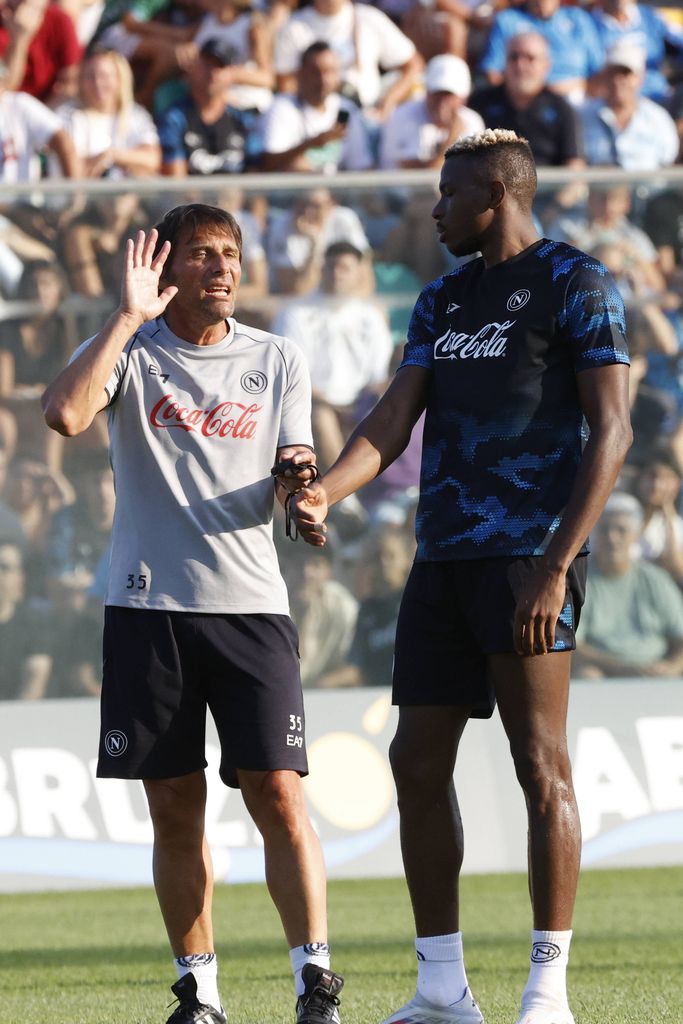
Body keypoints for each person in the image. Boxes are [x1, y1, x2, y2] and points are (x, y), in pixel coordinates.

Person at [290, 128, 632, 1024]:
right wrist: (325, 490)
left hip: (530, 562)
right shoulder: (440, 300)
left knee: (538, 764)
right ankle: (442, 989)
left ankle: (546, 990)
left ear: (494, 192)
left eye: (447, 195)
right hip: (440, 559)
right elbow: (391, 419)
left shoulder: (575, 282)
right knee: (414, 760)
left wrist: (557, 565)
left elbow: (614, 433)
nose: (433, 211)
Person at [41, 203, 344, 1024]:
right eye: (204, 255)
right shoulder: (131, 349)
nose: (223, 269)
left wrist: (301, 493)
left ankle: (314, 983)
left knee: (279, 795)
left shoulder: (276, 355)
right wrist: (126, 314)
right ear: (167, 268)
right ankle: (199, 992)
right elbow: (65, 414)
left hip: (252, 611)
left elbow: (293, 458)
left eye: (232, 255)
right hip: (147, 611)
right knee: (174, 807)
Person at [573, 492, 683, 679]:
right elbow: (573, 646)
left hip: (656, 671)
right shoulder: (580, 580)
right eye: (605, 529)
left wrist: (672, 666)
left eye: (621, 530)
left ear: (635, 536)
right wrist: (624, 669)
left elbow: (679, 635)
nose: (612, 537)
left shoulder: (655, 579)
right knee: (587, 675)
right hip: (602, 672)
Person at [469, 32, 583, 168]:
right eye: (514, 57)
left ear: (546, 65)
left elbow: (575, 164)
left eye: (530, 58)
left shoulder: (562, 109)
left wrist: (568, 189)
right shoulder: (480, 103)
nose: (520, 65)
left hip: (549, 187)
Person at [260, 41, 372, 174]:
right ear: (300, 74)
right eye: (315, 72)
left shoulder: (347, 109)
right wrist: (311, 144)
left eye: (329, 71)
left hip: (339, 192)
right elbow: (268, 162)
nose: (323, 79)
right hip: (292, 192)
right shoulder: (282, 107)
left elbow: (361, 166)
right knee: (299, 167)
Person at [156, 38, 262, 177]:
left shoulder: (243, 120)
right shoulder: (174, 118)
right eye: (207, 64)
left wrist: (237, 194)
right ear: (194, 67)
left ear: (232, 73)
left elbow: (256, 176)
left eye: (220, 66)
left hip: (236, 197)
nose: (213, 72)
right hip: (191, 199)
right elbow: (176, 181)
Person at [579, 40, 679, 171]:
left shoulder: (658, 119)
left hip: (648, 190)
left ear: (640, 78)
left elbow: (668, 164)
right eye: (612, 73)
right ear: (603, 76)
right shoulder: (582, 116)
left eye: (626, 74)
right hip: (598, 190)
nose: (618, 80)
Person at [379, 53, 484, 170]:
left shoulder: (472, 121)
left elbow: (469, 174)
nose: (442, 102)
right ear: (427, 92)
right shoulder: (402, 116)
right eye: (437, 94)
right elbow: (419, 177)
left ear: (463, 98)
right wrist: (452, 139)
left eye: (449, 95)